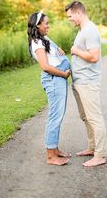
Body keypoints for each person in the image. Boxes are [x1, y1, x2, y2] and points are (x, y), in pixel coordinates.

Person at [65, 1, 107, 167]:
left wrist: (75, 51)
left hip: (88, 83)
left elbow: (94, 56)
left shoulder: (90, 30)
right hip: (80, 82)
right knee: (86, 117)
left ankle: (100, 155)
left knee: (94, 118)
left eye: (70, 16)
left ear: (78, 14)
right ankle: (92, 147)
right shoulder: (83, 30)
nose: (70, 20)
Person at [27, 11, 71, 166]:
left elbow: (58, 51)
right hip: (54, 79)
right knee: (55, 116)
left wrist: (59, 52)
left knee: (58, 115)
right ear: (38, 25)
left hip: (58, 79)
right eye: (46, 23)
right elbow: (45, 66)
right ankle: (51, 156)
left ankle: (55, 149)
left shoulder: (43, 39)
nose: (48, 25)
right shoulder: (37, 43)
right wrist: (63, 74)